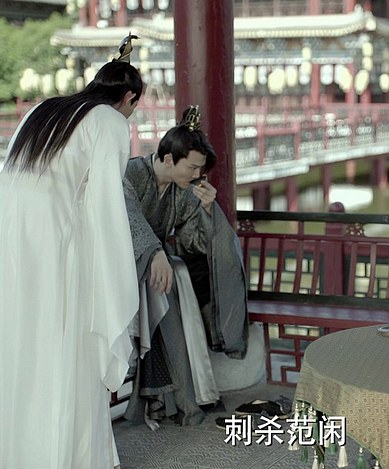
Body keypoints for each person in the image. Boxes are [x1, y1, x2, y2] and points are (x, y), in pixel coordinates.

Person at [0, 37, 144, 469]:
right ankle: (53, 453)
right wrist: (115, 280)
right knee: (58, 335)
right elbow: (106, 204)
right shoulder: (109, 120)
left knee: (5, 332)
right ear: (129, 98)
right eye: (133, 108)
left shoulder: (44, 109)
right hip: (50, 229)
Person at [122, 105, 248, 427]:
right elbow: (126, 219)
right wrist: (153, 253)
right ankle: (178, 399)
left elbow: (196, 241)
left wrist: (207, 210)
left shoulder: (183, 191)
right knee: (169, 281)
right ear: (168, 159)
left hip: (157, 268)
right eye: (191, 167)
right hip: (123, 264)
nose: (196, 175)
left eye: (199, 169)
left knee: (177, 280)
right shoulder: (131, 174)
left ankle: (182, 398)